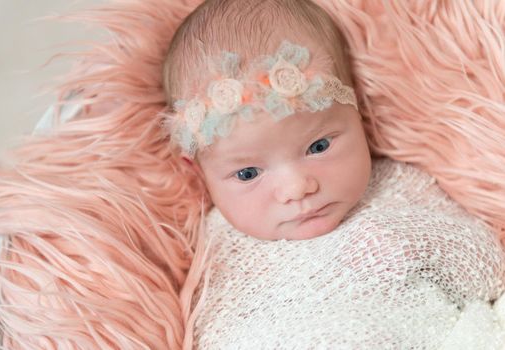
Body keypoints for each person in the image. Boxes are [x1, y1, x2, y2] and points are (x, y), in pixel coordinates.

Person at [159, 0, 505, 348]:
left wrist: (416, 241)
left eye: (319, 146)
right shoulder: (217, 243)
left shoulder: (398, 186)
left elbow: (488, 270)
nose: (297, 188)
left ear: (356, 113)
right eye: (248, 173)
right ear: (201, 173)